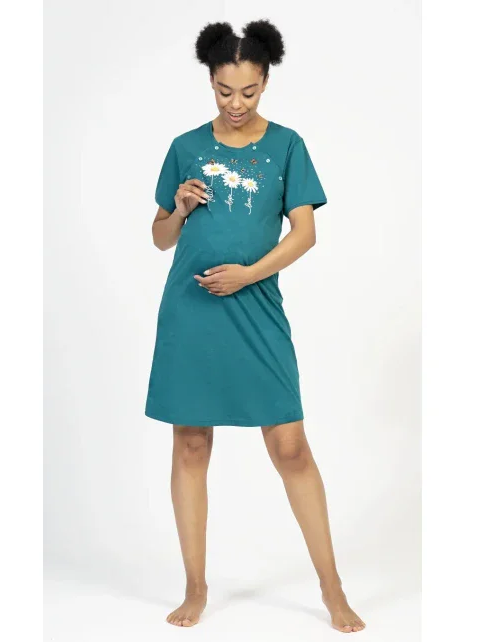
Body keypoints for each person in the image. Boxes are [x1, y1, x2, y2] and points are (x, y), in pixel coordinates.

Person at [145, 19, 366, 634]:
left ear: (265, 81)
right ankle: (195, 586)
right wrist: (180, 208)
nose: (236, 103)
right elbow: (160, 238)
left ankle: (332, 587)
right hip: (191, 312)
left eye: (247, 90)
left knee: (290, 446)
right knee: (191, 443)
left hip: (256, 305)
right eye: (224, 91)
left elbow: (305, 233)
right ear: (210, 83)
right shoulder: (185, 146)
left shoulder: (288, 146)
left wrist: (247, 275)